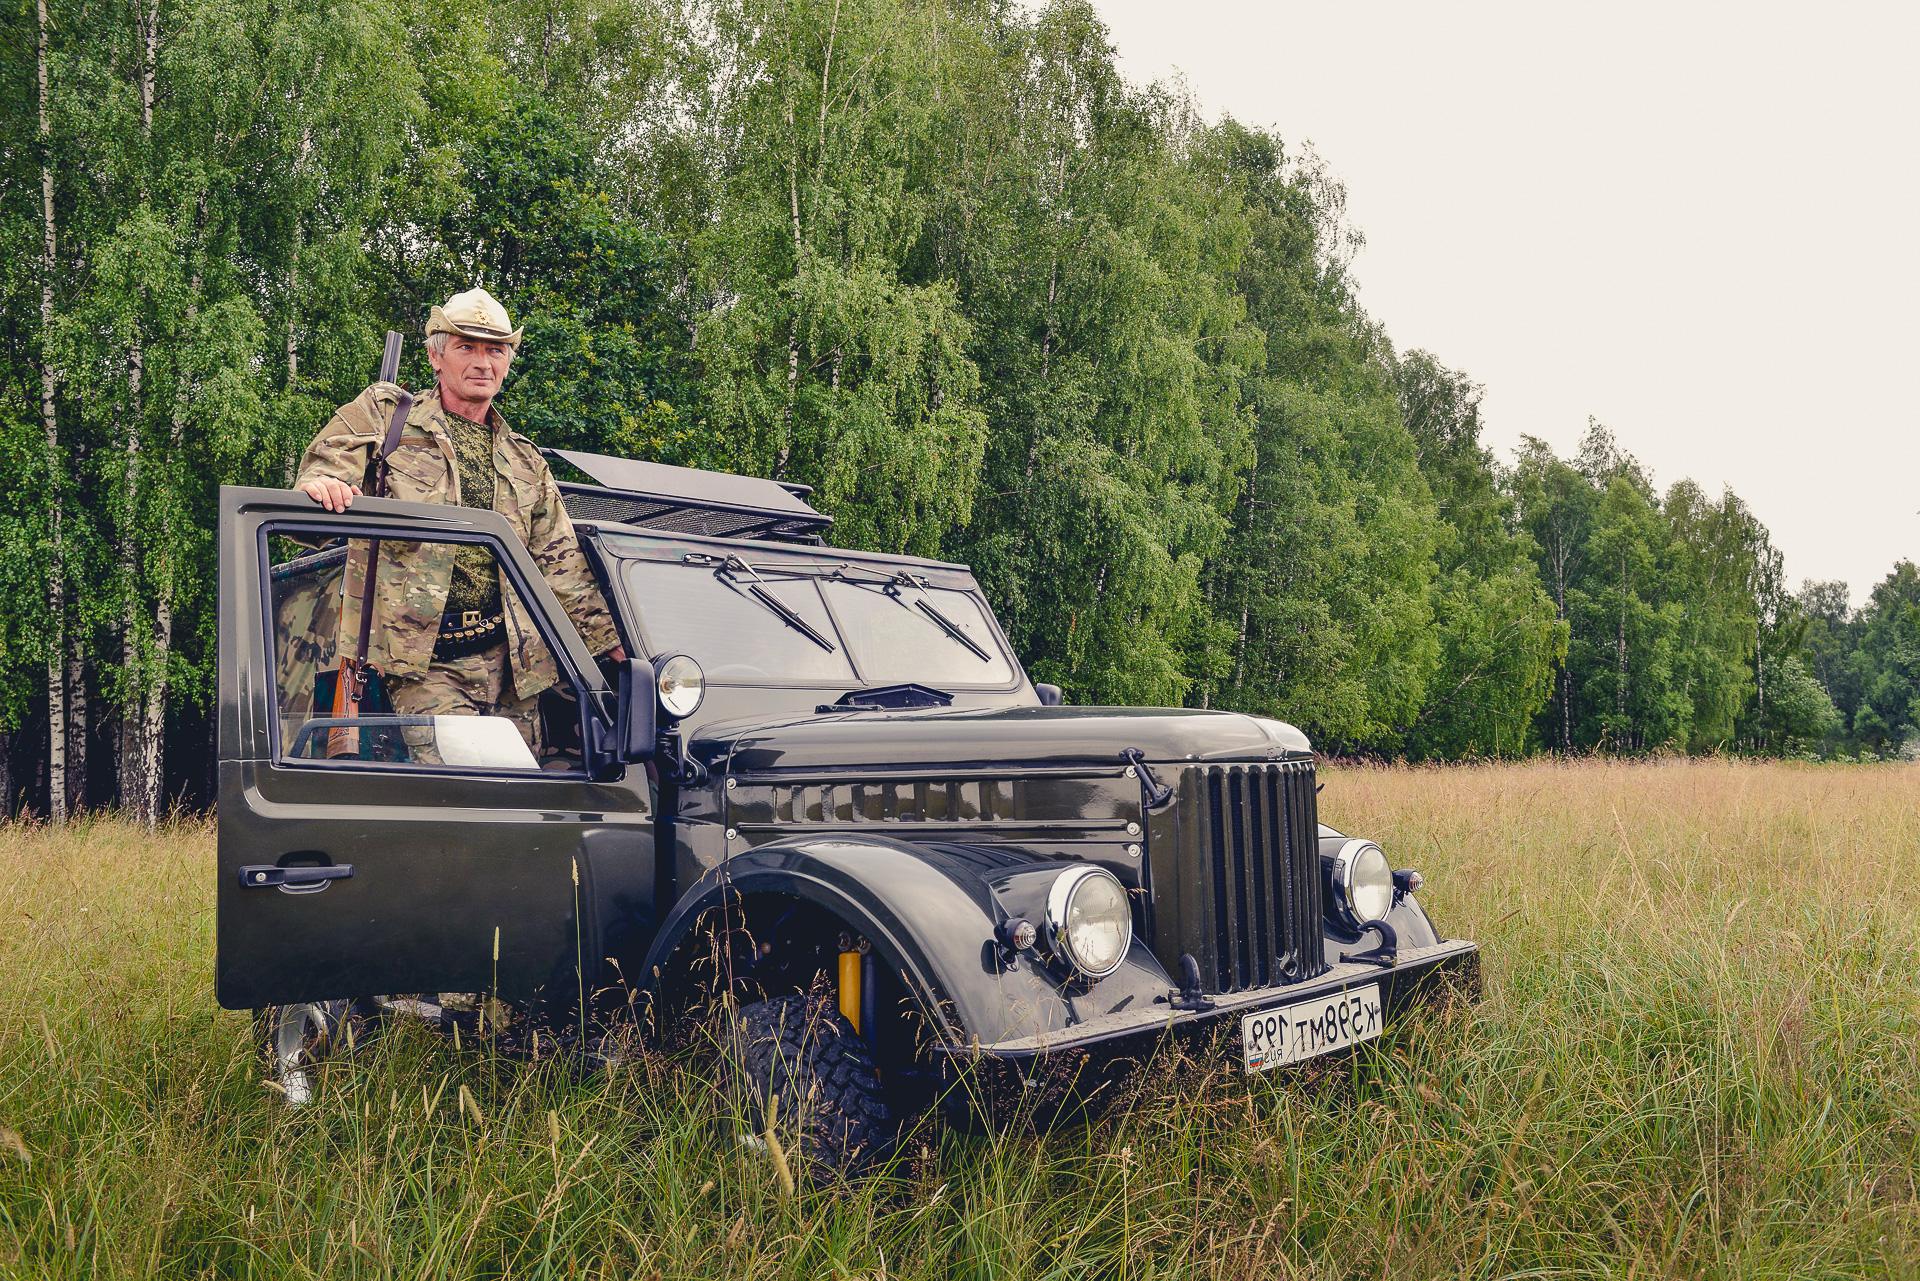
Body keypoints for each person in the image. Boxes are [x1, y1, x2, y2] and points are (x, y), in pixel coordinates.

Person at [294, 286, 625, 762]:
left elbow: (562, 568)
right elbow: (326, 469)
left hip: (516, 666)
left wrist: (617, 652)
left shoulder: (526, 461)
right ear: (436, 355)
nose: (482, 362)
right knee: (472, 784)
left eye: (495, 350)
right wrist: (324, 485)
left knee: (520, 804)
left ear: (508, 362)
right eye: (465, 347)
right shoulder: (387, 418)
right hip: (427, 664)